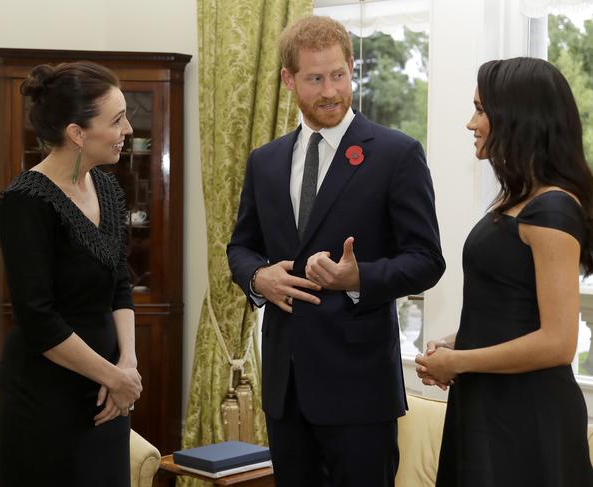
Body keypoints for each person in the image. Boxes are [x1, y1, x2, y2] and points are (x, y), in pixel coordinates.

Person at [227, 16, 445, 487]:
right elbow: (241, 246)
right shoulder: (264, 161)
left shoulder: (396, 153)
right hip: (285, 390)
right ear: (289, 80)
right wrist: (257, 278)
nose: (330, 91)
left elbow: (427, 259)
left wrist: (358, 278)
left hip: (360, 391)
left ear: (352, 68)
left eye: (339, 75)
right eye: (315, 78)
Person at [416, 57, 593, 486]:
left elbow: (557, 342)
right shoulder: (518, 202)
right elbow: (515, 311)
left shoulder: (552, 208)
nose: (470, 122)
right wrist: (458, 343)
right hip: (489, 405)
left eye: (480, 109)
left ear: (516, 117)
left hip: (526, 418)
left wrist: (460, 361)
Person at [0, 61, 142, 487]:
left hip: (107, 398)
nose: (128, 129)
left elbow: (121, 286)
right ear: (77, 133)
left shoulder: (109, 189)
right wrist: (113, 377)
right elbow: (38, 320)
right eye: (116, 120)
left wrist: (127, 366)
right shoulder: (25, 202)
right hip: (44, 400)